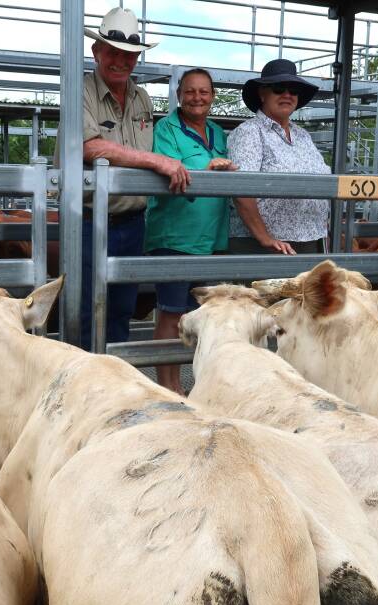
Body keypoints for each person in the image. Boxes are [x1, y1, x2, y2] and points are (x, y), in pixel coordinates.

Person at [58, 8, 191, 350]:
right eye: (113, 52)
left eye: (129, 54)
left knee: (120, 311)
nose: (121, 61)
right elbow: (87, 146)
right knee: (83, 311)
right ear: (96, 52)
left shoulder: (141, 97)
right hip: (87, 222)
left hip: (132, 223)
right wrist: (155, 160)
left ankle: (113, 383)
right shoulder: (79, 91)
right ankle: (81, 390)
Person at [145, 68, 236, 394]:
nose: (197, 98)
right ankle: (168, 387)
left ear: (212, 96)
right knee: (171, 315)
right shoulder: (166, 129)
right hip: (175, 236)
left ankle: (196, 387)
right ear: (179, 95)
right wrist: (207, 169)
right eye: (190, 91)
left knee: (201, 316)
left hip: (211, 237)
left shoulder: (218, 132)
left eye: (204, 92)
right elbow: (169, 169)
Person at [227, 58, 330, 255]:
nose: (287, 95)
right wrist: (265, 237)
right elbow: (241, 190)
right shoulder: (250, 132)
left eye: (293, 90)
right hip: (264, 245)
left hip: (310, 239)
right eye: (279, 88)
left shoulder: (302, 135)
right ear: (262, 94)